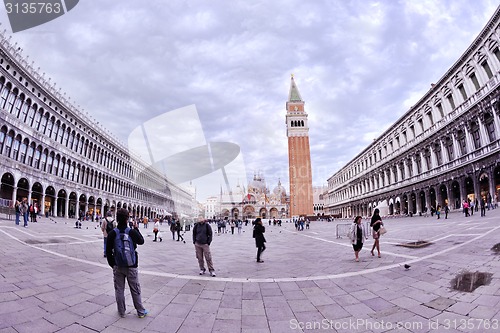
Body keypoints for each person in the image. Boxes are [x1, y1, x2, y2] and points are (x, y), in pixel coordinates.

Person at [106, 208, 148, 318]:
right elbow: (141, 241)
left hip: (118, 265)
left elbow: (108, 251)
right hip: (132, 266)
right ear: (127, 218)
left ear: (117, 219)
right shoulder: (132, 232)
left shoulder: (112, 233)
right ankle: (140, 311)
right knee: (135, 289)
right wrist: (136, 228)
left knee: (119, 289)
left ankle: (121, 311)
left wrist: (113, 265)